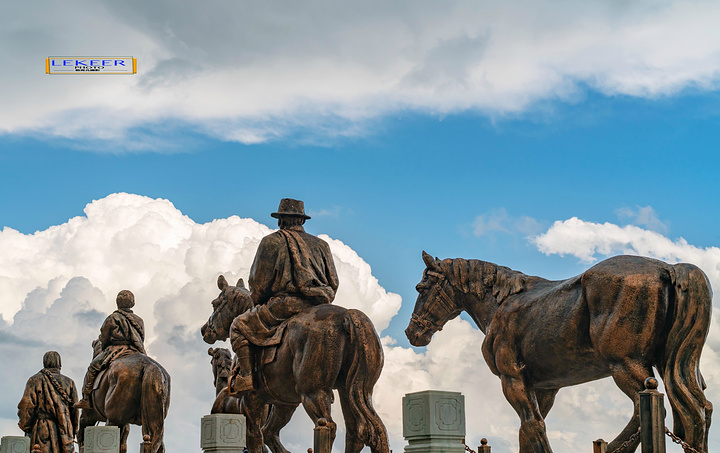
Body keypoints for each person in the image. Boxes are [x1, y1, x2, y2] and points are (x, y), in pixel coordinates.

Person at [229, 198, 339, 393]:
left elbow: (258, 283)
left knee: (238, 325)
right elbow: (334, 282)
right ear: (302, 220)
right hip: (317, 306)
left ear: (281, 220)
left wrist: (257, 301)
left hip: (284, 306)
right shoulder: (322, 245)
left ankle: (246, 377)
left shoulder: (272, 241)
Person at [75, 290, 145, 409]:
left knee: (92, 368)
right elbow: (141, 338)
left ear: (117, 302)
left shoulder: (112, 318)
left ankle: (86, 399)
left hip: (115, 349)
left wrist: (104, 347)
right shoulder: (139, 320)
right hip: (135, 351)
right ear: (132, 303)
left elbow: (104, 338)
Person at [17, 351, 79, 453]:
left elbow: (26, 406)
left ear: (44, 362)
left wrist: (26, 426)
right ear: (60, 364)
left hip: (42, 430)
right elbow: (75, 411)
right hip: (65, 432)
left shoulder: (34, 380)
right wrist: (72, 431)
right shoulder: (69, 382)